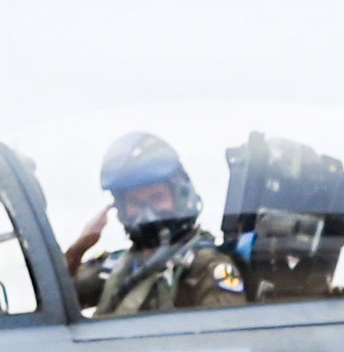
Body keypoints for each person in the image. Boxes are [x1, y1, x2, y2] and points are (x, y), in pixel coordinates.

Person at [60, 131, 244, 316]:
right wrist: (79, 248)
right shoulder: (120, 266)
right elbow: (54, 297)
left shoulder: (205, 268)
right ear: (121, 208)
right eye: (135, 202)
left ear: (180, 196)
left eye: (157, 197)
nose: (147, 212)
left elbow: (227, 336)